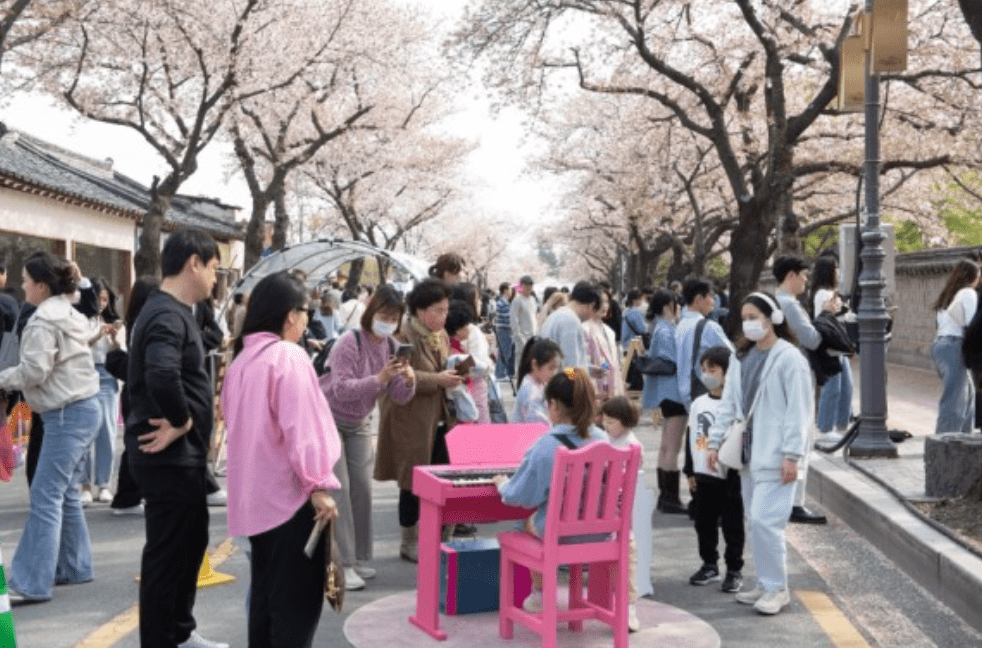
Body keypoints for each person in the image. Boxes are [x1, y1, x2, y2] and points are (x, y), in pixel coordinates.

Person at [221, 272, 343, 648]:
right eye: (305, 312)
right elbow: (302, 429)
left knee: (265, 603)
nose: (308, 321)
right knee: (294, 611)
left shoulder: (241, 361)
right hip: (290, 499)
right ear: (291, 315)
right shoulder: (288, 356)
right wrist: (318, 484)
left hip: (254, 503)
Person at [125, 228, 228, 648]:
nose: (216, 278)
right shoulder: (167, 314)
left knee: (189, 544)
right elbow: (162, 373)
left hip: (179, 458)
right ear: (194, 264)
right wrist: (183, 420)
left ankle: (180, 632)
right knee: (168, 556)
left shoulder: (172, 309)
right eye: (215, 268)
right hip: (165, 454)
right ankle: (162, 639)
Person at [0, 252, 101, 605]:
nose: (23, 284)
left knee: (46, 496)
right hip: (85, 409)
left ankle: (30, 582)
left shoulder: (43, 320)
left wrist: (2, 378)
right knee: (66, 493)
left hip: (64, 415)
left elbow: (34, 371)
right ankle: (74, 566)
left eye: (27, 279)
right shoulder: (67, 310)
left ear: (41, 286)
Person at [707, 292, 810, 616]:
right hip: (749, 456)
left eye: (754, 316)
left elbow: (800, 410)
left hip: (779, 455)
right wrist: (713, 442)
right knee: (757, 522)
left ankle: (778, 588)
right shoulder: (741, 357)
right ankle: (766, 584)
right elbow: (730, 404)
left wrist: (793, 454)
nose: (749, 323)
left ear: (773, 318)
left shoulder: (790, 358)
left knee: (767, 523)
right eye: (745, 317)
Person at [321, 284, 416, 589]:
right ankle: (342, 564)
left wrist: (408, 379)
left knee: (362, 489)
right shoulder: (349, 343)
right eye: (384, 313)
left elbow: (398, 396)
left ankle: (359, 558)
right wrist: (380, 378)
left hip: (359, 422)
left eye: (394, 316)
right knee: (341, 491)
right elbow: (340, 389)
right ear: (371, 311)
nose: (388, 320)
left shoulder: (390, 346)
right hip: (329, 419)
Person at [492, 368, 609, 614]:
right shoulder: (603, 440)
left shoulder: (546, 446)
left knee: (524, 521)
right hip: (601, 533)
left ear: (554, 405)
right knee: (544, 517)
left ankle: (540, 594)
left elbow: (518, 496)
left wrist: (502, 483)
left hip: (560, 536)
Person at [375, 278, 464, 563]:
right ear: (421, 310)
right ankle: (409, 540)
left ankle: (442, 536)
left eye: (446, 310)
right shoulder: (403, 336)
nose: (444, 316)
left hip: (441, 418)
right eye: (438, 310)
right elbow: (400, 375)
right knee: (412, 481)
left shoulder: (439, 335)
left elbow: (441, 369)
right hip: (410, 419)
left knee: (445, 476)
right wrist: (438, 379)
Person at [774, 255, 837, 525]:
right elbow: (811, 339)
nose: (806, 281)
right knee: (801, 435)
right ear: (791, 275)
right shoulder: (790, 305)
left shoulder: (770, 301)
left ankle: (785, 496)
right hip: (797, 372)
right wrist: (827, 316)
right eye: (803, 275)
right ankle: (795, 501)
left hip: (776, 373)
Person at [683, 346, 745, 594]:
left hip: (728, 474)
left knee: (732, 523)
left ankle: (734, 569)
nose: (707, 374)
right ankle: (709, 563)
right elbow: (690, 438)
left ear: (727, 373)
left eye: (713, 369)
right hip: (702, 473)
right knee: (703, 521)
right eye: (704, 369)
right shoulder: (698, 403)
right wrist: (689, 471)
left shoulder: (734, 405)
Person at [104, 277, 160, 516]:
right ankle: (127, 498)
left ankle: (128, 497)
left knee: (135, 444)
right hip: (140, 393)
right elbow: (138, 364)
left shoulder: (135, 320)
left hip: (133, 393)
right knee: (138, 445)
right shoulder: (147, 323)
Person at [598, 396, 643, 632]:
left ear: (625, 422)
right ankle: (623, 607)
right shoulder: (605, 439)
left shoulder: (630, 445)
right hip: (606, 514)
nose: (606, 425)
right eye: (604, 420)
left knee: (628, 555)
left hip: (619, 514)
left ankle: (629, 609)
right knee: (626, 551)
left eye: (611, 421)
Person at [643, 289, 689, 514]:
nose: (679, 307)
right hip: (673, 392)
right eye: (675, 303)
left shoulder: (660, 327)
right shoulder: (665, 329)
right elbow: (672, 359)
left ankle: (666, 496)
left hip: (666, 392)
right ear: (667, 306)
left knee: (667, 446)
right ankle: (670, 498)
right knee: (673, 446)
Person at [80, 277, 123, 505]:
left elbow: (120, 351)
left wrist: (114, 338)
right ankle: (85, 484)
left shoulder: (113, 320)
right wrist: (97, 335)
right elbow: (77, 346)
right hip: (85, 374)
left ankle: (103, 484)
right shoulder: (79, 319)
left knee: (107, 430)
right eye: (99, 298)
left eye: (106, 299)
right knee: (86, 431)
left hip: (107, 375)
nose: (102, 303)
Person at [933, 259, 980, 434]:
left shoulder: (948, 295)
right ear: (974, 277)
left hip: (943, 346)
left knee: (967, 398)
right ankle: (944, 447)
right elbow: (971, 322)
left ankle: (963, 443)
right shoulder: (968, 292)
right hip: (955, 346)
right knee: (955, 402)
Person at [809, 256, 853, 443]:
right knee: (832, 388)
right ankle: (826, 428)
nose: (838, 271)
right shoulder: (822, 294)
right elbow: (824, 320)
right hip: (829, 348)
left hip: (837, 348)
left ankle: (842, 424)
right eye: (835, 268)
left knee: (846, 387)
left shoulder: (831, 293)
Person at [539, 280, 602, 371]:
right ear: (590, 306)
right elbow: (570, 366)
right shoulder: (570, 321)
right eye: (594, 312)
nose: (591, 317)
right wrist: (575, 383)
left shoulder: (559, 315)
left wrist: (590, 370)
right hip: (562, 383)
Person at [583, 289, 624, 404]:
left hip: (612, 389)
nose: (605, 306)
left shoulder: (609, 331)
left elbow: (615, 365)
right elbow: (577, 366)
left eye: (607, 301)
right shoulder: (584, 329)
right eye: (601, 301)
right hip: (595, 391)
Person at [513, 337, 562, 424]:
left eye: (556, 368)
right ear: (535, 365)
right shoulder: (531, 392)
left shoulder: (537, 383)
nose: (554, 373)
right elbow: (539, 427)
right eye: (551, 368)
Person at [510, 275, 538, 373]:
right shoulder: (517, 300)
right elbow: (513, 320)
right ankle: (519, 383)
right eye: (526, 286)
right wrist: (519, 337)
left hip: (533, 336)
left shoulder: (533, 300)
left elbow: (534, 317)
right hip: (522, 337)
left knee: (532, 363)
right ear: (521, 286)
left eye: (531, 286)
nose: (529, 288)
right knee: (521, 362)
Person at [494, 282, 515, 380]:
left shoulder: (502, 301)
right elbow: (508, 317)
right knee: (505, 351)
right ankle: (500, 373)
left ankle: (500, 372)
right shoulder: (503, 302)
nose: (511, 292)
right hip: (504, 329)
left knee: (503, 351)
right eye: (510, 289)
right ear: (505, 291)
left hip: (503, 329)